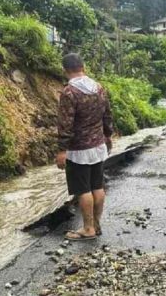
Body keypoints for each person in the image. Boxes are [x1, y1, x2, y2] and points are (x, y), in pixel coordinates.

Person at [56, 53, 113, 241]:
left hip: (78, 150)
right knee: (97, 185)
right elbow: (107, 115)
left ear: (65, 70)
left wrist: (62, 150)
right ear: (84, 67)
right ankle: (96, 224)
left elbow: (66, 124)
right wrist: (108, 135)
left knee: (83, 189)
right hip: (98, 146)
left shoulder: (69, 93)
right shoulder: (99, 88)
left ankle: (88, 228)